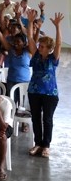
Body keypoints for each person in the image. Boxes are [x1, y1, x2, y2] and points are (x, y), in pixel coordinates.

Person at [26, 12, 63, 158]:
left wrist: (57, 26)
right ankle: (38, 143)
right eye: (39, 45)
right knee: (35, 118)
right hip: (34, 91)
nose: (39, 47)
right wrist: (29, 23)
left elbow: (59, 43)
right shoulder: (35, 55)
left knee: (47, 119)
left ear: (49, 48)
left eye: (42, 46)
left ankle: (46, 145)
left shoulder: (53, 59)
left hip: (50, 94)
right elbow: (29, 38)